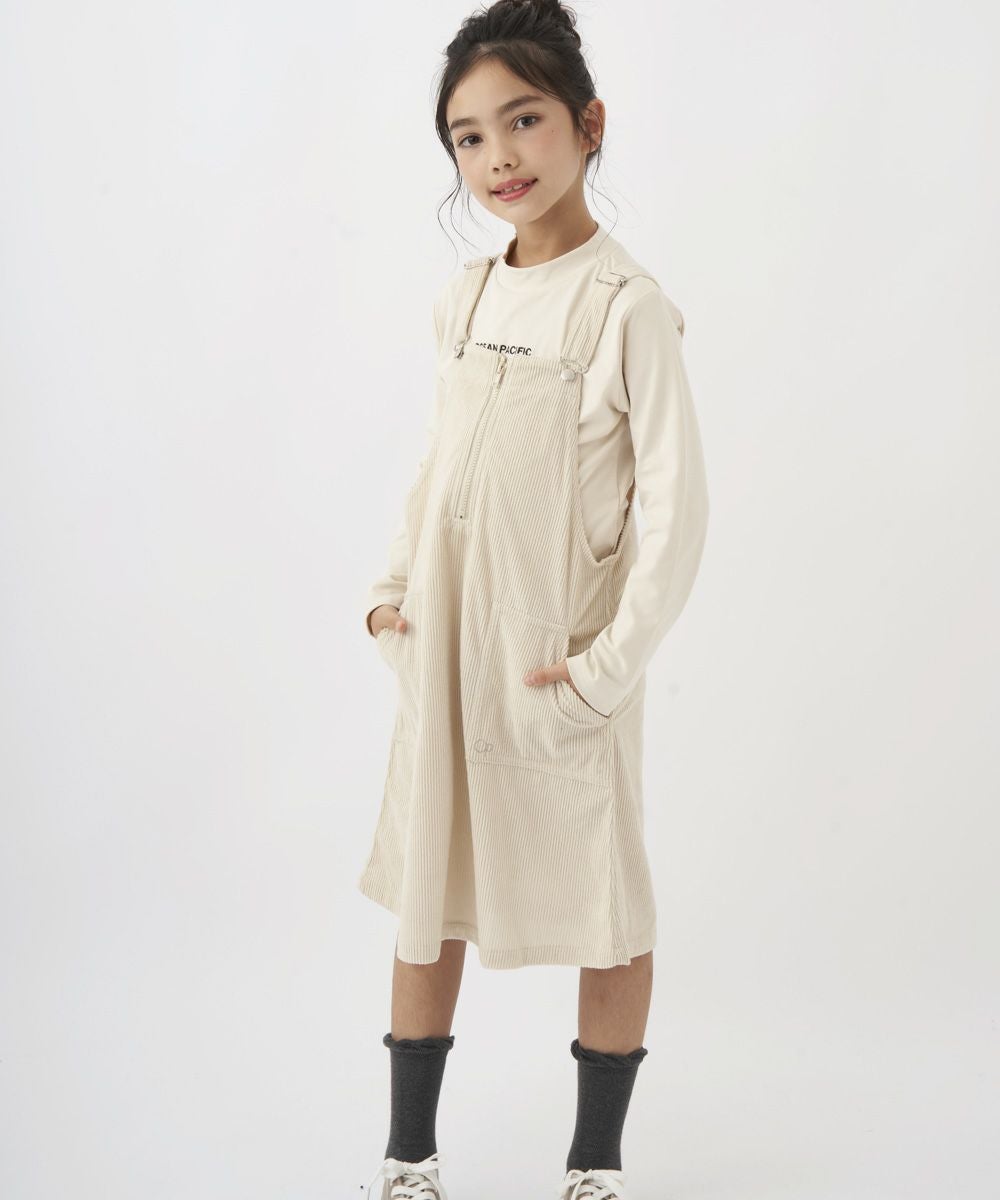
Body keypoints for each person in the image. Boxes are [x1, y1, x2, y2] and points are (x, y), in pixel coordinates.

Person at [358, 2, 710, 1197]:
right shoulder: (463, 299)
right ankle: (408, 1158)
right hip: (446, 653)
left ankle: (594, 1169)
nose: (498, 157)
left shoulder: (624, 306)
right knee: (429, 896)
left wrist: (605, 669)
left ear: (586, 124)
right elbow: (436, 461)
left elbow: (676, 512)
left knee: (604, 903)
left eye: (523, 121)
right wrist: (391, 594)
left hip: (558, 667)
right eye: (468, 137)